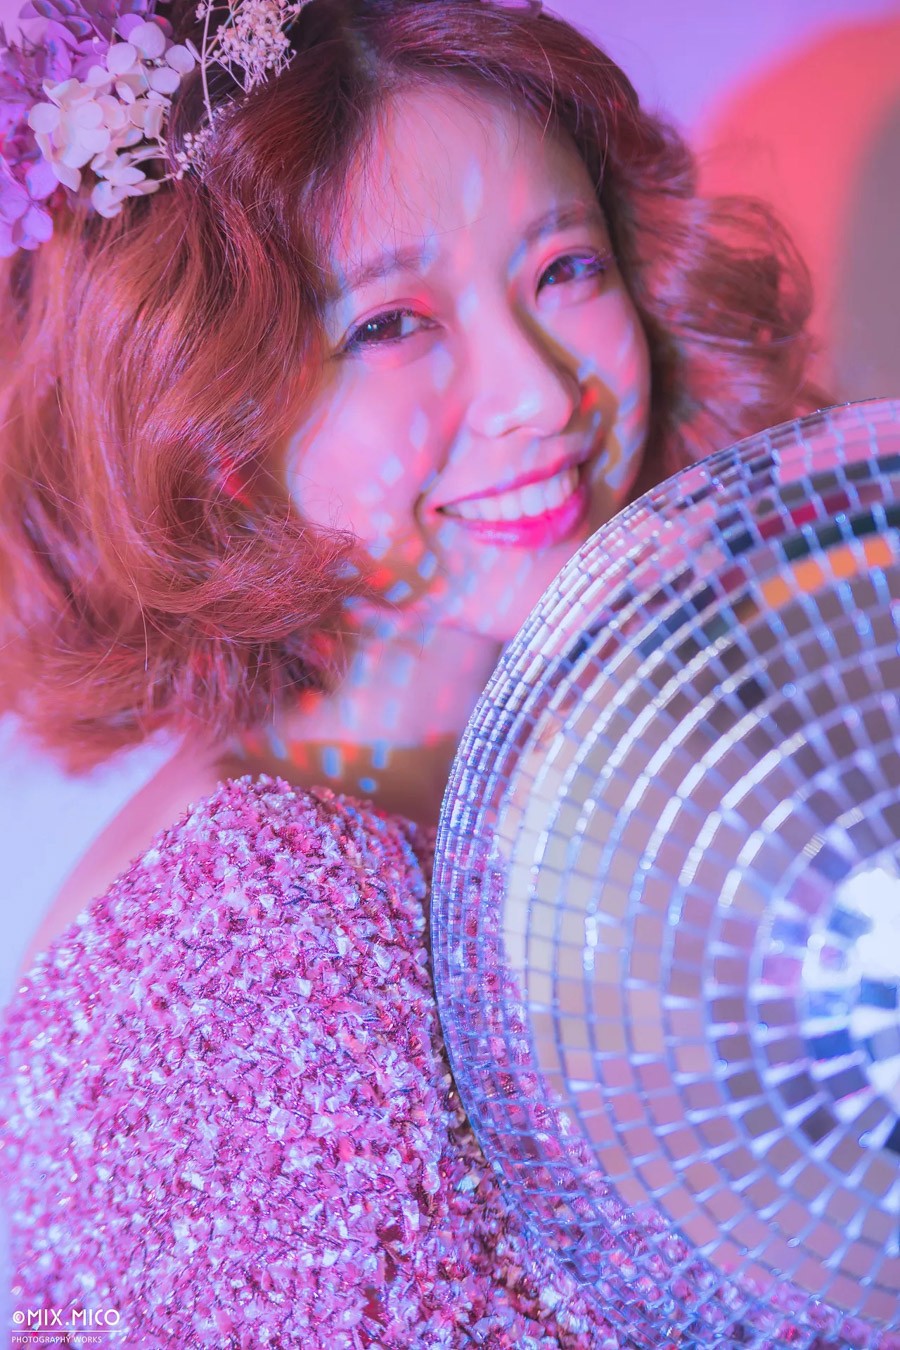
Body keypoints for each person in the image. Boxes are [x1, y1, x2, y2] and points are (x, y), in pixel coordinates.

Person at [0, 0, 823, 1343]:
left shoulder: (627, 756)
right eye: (391, 323)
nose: (540, 397)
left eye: (565, 268)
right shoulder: (240, 958)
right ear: (218, 418)